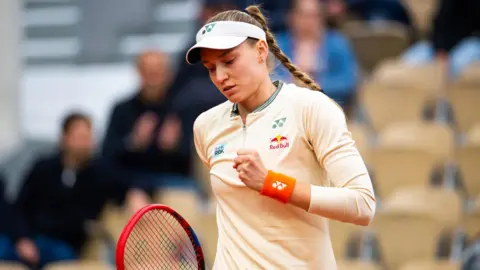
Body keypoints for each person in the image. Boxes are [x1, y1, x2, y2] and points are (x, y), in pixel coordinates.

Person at [186, 4, 376, 269]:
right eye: (210, 68)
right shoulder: (205, 126)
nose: (220, 76)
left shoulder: (311, 108)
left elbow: (362, 204)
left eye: (229, 61)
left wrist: (272, 184)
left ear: (261, 51)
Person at [7, 112, 127, 269]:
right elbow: (19, 207)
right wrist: (22, 238)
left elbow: (125, 183)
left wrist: (134, 192)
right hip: (30, 238)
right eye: (80, 137)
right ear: (65, 138)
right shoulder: (43, 168)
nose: (86, 143)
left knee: (60, 256)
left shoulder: (100, 173)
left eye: (88, 137)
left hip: (64, 245)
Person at [102, 50, 201, 212]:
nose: (153, 78)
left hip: (173, 183)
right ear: (139, 73)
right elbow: (108, 158)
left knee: (181, 204)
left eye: (158, 72)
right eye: (148, 72)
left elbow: (191, 161)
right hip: (133, 183)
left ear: (168, 74)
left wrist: (172, 148)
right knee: (137, 207)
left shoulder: (183, 109)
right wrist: (133, 143)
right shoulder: (122, 110)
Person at [274, 0, 359, 113]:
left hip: (329, 110)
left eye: (315, 16)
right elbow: (266, 77)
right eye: (304, 15)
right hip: (286, 111)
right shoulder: (278, 45)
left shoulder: (337, 43)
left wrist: (316, 84)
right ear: (291, 17)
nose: (309, 22)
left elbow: (348, 80)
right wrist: (291, 83)